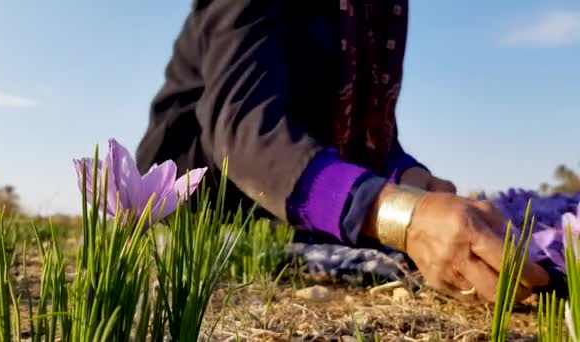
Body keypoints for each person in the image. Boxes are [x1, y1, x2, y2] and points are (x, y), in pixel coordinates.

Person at [135, 0, 551, 302]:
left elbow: (368, 137)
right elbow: (245, 131)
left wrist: (417, 182)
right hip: (201, 196)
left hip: (296, 200)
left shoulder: (376, 12)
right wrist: (405, 217)